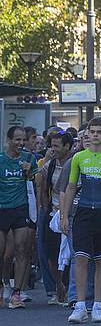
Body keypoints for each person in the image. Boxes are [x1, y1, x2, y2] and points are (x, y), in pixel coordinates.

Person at [62, 117, 101, 324]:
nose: (95, 135)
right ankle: (80, 305)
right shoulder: (79, 157)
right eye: (92, 131)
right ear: (87, 133)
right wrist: (64, 215)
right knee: (80, 257)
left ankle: (97, 304)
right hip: (83, 211)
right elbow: (70, 187)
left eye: (99, 132)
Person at [1, 126, 37, 308]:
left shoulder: (29, 158)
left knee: (22, 249)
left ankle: (17, 293)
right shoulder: (1, 160)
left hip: (21, 208)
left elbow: (33, 182)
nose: (21, 144)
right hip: (2, 209)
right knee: (3, 252)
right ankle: (3, 286)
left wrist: (28, 172)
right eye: (17, 140)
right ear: (9, 140)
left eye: (23, 140)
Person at [36, 129, 71, 305]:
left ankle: (69, 287)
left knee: (71, 254)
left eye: (56, 146)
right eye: (51, 145)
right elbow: (40, 184)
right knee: (52, 253)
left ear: (67, 146)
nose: (53, 149)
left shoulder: (75, 163)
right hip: (53, 215)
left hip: (72, 214)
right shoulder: (49, 165)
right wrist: (45, 206)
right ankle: (59, 286)